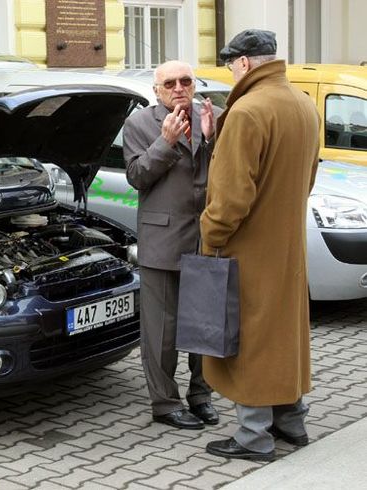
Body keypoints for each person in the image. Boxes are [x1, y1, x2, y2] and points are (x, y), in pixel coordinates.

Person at [200, 29, 320, 460]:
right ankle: (292, 422)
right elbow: (307, 178)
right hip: (288, 245)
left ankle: (253, 437)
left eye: (231, 64)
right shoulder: (303, 103)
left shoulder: (248, 110)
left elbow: (231, 198)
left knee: (249, 338)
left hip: (247, 248)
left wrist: (210, 234)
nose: (231, 72)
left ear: (245, 63)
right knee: (284, 334)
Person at [124, 60, 221, 430]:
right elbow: (137, 177)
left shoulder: (211, 115)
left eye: (185, 81)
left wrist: (211, 140)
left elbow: (223, 171)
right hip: (162, 239)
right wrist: (165, 142)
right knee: (161, 332)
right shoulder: (139, 124)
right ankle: (165, 403)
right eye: (170, 83)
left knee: (205, 326)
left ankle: (201, 395)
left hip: (206, 237)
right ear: (157, 90)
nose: (179, 88)